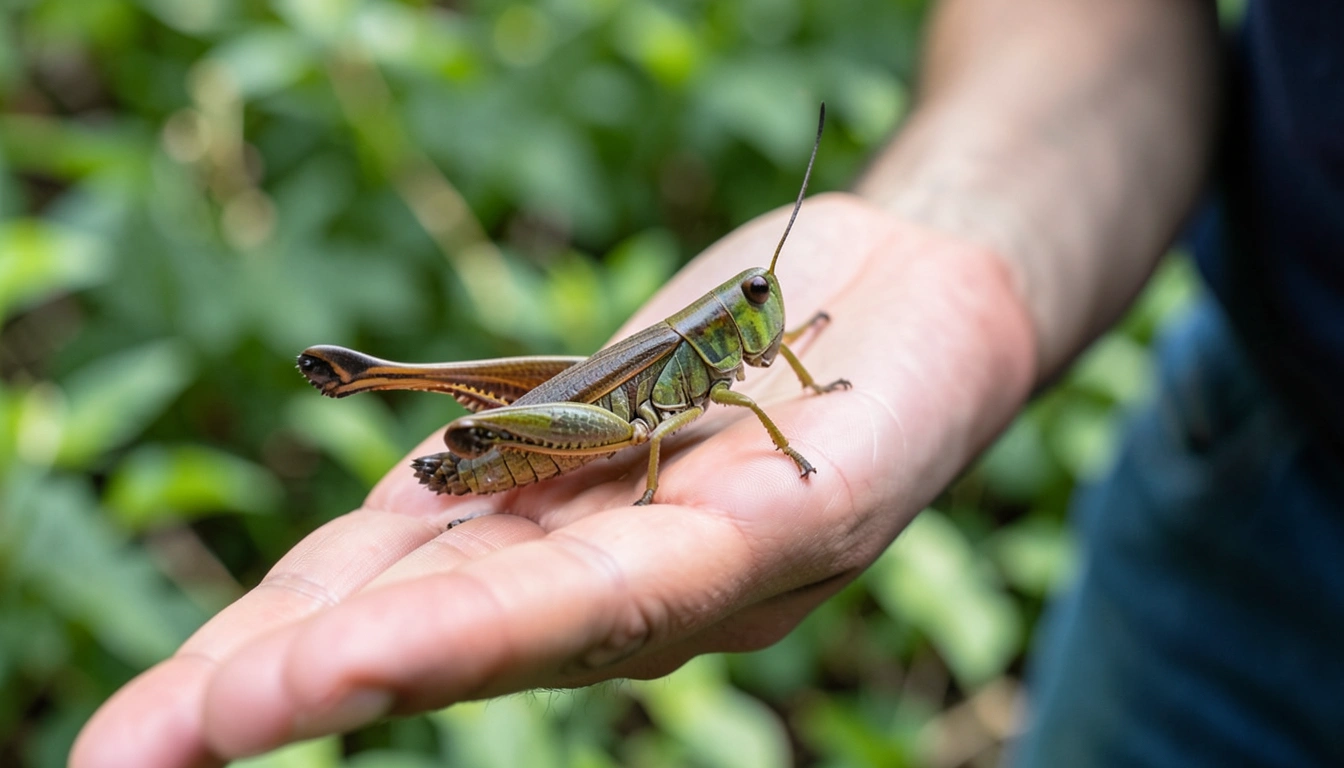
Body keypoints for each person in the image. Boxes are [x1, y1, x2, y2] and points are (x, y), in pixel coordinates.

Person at [71, 0, 1343, 765]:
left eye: (768, 314)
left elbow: (742, 389)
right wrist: (953, 242)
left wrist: (797, 395)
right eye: (756, 309)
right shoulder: (707, 373)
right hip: (1263, 471)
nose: (767, 321)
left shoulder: (738, 361)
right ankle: (387, 385)